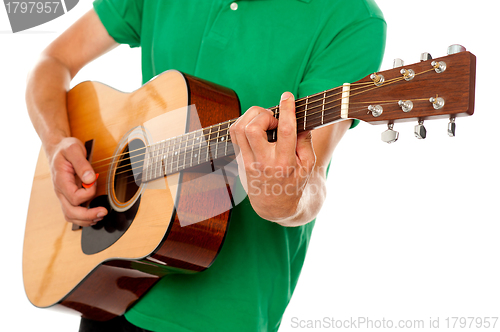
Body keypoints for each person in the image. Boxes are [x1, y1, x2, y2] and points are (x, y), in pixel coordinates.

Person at [25, 0, 386, 331]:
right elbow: (53, 61)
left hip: (226, 313)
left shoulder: (351, 18)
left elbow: (310, 180)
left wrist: (281, 195)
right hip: (115, 283)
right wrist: (56, 142)